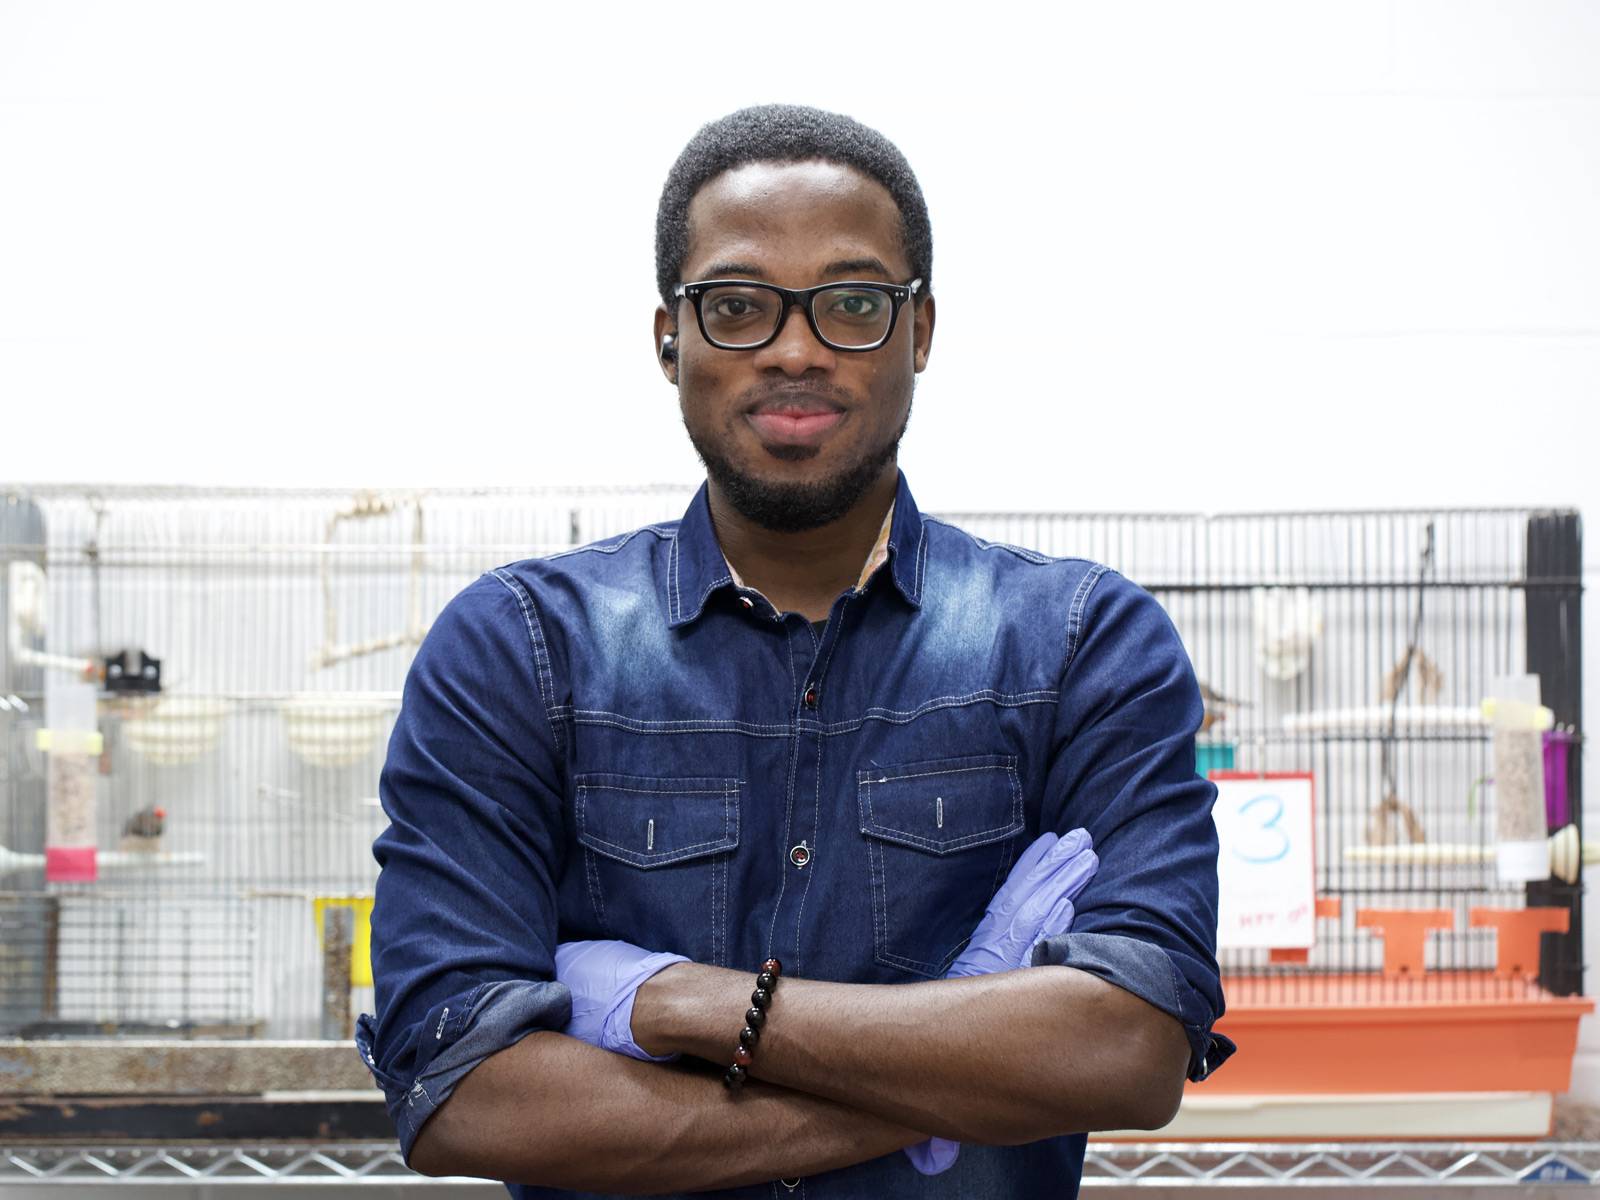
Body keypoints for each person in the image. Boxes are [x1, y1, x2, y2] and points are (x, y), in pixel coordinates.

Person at [354, 103, 1234, 1199]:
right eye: (735, 306)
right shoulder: (520, 651)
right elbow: (461, 1091)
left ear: (919, 332)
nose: (795, 349)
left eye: (854, 304)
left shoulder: (1079, 646)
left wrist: (670, 1001)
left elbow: (1124, 1053)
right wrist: (957, 1078)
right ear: (668, 335)